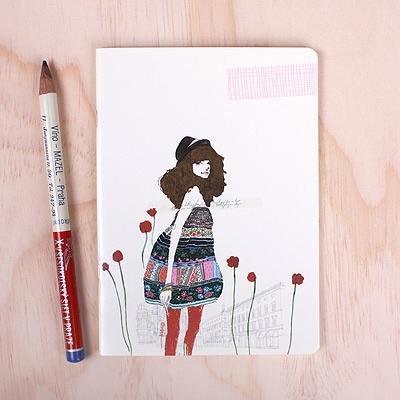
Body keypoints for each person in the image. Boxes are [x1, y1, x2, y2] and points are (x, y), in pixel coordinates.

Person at [143, 136, 226, 355]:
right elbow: (176, 233)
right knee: (175, 327)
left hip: (196, 268)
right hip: (177, 266)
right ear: (187, 166)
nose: (205, 166)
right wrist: (168, 283)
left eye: (207, 161)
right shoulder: (193, 193)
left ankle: (186, 357)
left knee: (192, 325)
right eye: (198, 162)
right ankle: (172, 359)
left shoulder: (202, 194)